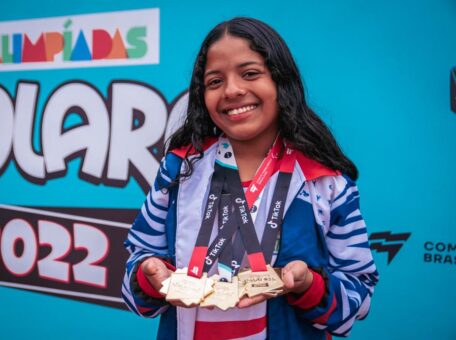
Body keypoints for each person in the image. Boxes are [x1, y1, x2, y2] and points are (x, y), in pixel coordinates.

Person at [121, 17, 378, 340]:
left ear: (281, 82)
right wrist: (149, 275)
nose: (232, 90)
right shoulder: (179, 169)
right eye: (214, 82)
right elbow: (135, 275)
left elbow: (360, 295)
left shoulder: (324, 182)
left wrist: (307, 285)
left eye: (250, 73)